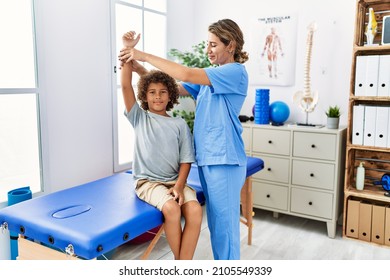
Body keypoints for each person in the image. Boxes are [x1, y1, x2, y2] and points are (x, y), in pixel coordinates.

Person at [119, 19, 249, 260]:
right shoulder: (212, 77)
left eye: (213, 45)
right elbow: (171, 88)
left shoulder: (235, 72)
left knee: (225, 231)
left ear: (230, 45)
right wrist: (139, 70)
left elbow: (187, 72)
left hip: (225, 161)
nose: (207, 50)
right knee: (218, 229)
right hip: (209, 160)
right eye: (206, 45)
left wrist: (144, 55)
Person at [120, 31, 202, 260]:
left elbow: (186, 160)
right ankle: (182, 263)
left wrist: (178, 186)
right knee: (172, 209)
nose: (157, 97)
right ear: (145, 96)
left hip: (174, 181)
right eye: (152, 93)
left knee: (195, 210)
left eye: (162, 92)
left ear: (170, 95)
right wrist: (126, 50)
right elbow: (126, 86)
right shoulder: (139, 117)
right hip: (148, 182)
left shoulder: (179, 124)